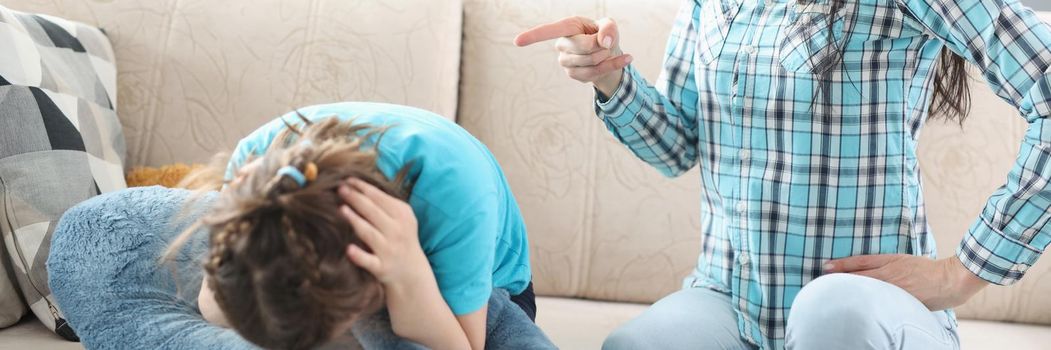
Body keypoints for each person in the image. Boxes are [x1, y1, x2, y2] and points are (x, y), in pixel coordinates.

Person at [515, 0, 1051, 348]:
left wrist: (960, 273)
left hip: (862, 308)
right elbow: (677, 146)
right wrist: (612, 79)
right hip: (731, 300)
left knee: (830, 309)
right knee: (636, 346)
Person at [178, 102, 554, 349]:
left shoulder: (455, 198)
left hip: (495, 288)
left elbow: (463, 345)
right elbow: (213, 306)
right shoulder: (254, 162)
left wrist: (409, 271)